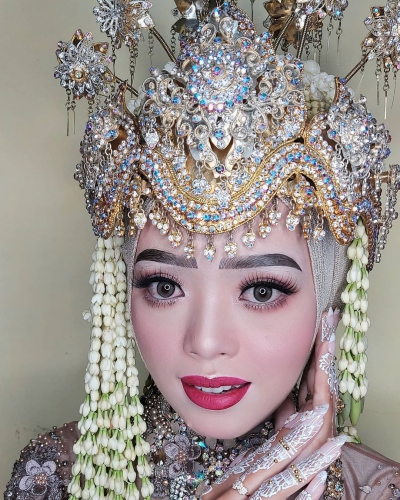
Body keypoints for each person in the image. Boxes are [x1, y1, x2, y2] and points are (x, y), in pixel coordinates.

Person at [4, 2, 400, 500]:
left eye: (261, 291)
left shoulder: (377, 490)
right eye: (164, 287)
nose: (206, 343)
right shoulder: (56, 477)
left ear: (331, 299)